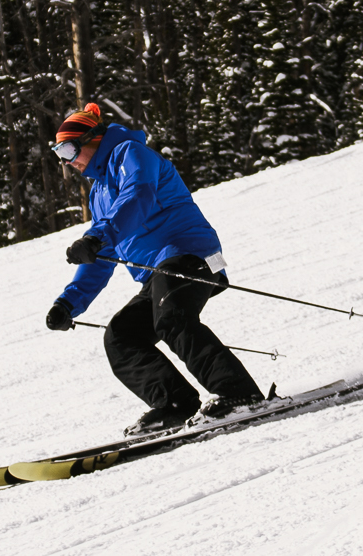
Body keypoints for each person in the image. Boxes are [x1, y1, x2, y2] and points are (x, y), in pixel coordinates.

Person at [44, 103, 265, 434]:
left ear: (93, 138)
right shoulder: (99, 193)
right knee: (121, 336)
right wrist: (68, 303)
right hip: (156, 274)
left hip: (190, 255)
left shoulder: (131, 154)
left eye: (68, 148)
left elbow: (138, 196)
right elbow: (101, 258)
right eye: (58, 153)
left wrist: (97, 236)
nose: (66, 160)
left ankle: (241, 395)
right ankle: (174, 405)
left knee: (172, 318)